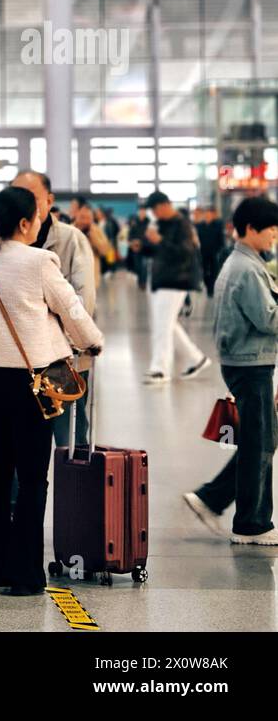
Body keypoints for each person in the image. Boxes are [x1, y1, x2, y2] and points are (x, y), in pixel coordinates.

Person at [0, 186, 103, 596]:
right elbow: (71, 308)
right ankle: (25, 574)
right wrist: (94, 341)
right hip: (32, 384)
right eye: (38, 216)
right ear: (25, 223)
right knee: (32, 477)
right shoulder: (40, 261)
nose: (42, 222)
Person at [185, 197, 278, 545]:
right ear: (251, 229)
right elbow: (268, 319)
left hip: (247, 361)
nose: (274, 237)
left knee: (262, 441)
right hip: (250, 364)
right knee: (260, 444)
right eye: (270, 230)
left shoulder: (244, 262)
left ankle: (220, 501)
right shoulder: (247, 269)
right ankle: (249, 523)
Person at [11, 171, 97, 447]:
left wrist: (65, 347)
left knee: (69, 445)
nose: (23, 204)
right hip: (16, 363)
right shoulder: (0, 244)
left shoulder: (71, 241)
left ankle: (73, 491)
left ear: (49, 200)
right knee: (20, 450)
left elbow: (81, 303)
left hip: (63, 364)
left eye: (32, 198)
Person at [141, 191, 210, 385]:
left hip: (176, 281)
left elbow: (185, 254)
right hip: (161, 280)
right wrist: (144, 245)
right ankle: (196, 358)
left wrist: (159, 241)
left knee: (162, 326)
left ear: (165, 205)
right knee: (167, 323)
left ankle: (160, 369)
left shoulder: (183, 225)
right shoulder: (162, 225)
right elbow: (157, 251)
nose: (154, 214)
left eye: (155, 209)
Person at [198, 206, 227, 298]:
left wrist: (221, 250)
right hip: (203, 252)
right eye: (206, 214)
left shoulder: (218, 224)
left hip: (215, 252)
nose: (207, 216)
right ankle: (208, 287)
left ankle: (213, 288)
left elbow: (221, 239)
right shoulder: (200, 226)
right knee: (205, 272)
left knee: (215, 271)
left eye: (209, 214)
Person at [127, 207, 150, 289]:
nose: (142, 213)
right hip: (136, 248)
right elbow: (130, 235)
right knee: (137, 266)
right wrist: (133, 242)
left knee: (144, 265)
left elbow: (150, 236)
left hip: (145, 247)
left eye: (144, 211)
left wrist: (141, 241)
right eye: (141, 211)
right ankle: (140, 280)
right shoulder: (134, 222)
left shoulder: (149, 223)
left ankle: (143, 283)